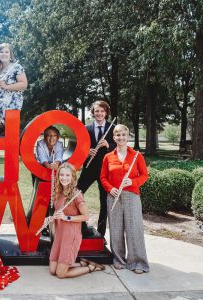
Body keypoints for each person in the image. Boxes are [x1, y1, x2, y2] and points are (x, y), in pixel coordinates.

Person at [100, 124, 149, 274]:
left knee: (134, 228)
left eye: (124, 135)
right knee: (115, 228)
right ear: (113, 137)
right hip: (113, 195)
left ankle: (138, 262)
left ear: (128, 137)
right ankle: (119, 259)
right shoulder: (108, 157)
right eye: (118, 135)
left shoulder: (136, 156)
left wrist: (132, 182)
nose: (121, 138)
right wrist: (110, 188)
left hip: (131, 196)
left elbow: (144, 175)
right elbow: (103, 177)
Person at [49, 163, 103, 278]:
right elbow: (57, 211)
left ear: (73, 177)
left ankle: (91, 267)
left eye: (67, 175)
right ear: (58, 176)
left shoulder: (77, 195)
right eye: (62, 175)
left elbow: (86, 217)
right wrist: (52, 219)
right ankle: (81, 263)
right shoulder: (57, 192)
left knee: (60, 274)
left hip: (70, 236)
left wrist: (66, 218)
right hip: (60, 236)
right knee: (52, 270)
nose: (64, 178)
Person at [77, 100, 116, 238]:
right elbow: (80, 147)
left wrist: (109, 145)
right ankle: (80, 228)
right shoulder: (86, 129)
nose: (99, 113)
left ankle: (101, 233)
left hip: (106, 170)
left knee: (104, 201)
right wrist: (87, 151)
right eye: (96, 111)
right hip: (88, 169)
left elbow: (120, 146)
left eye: (102, 111)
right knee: (76, 194)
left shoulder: (113, 128)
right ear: (93, 113)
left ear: (106, 113)